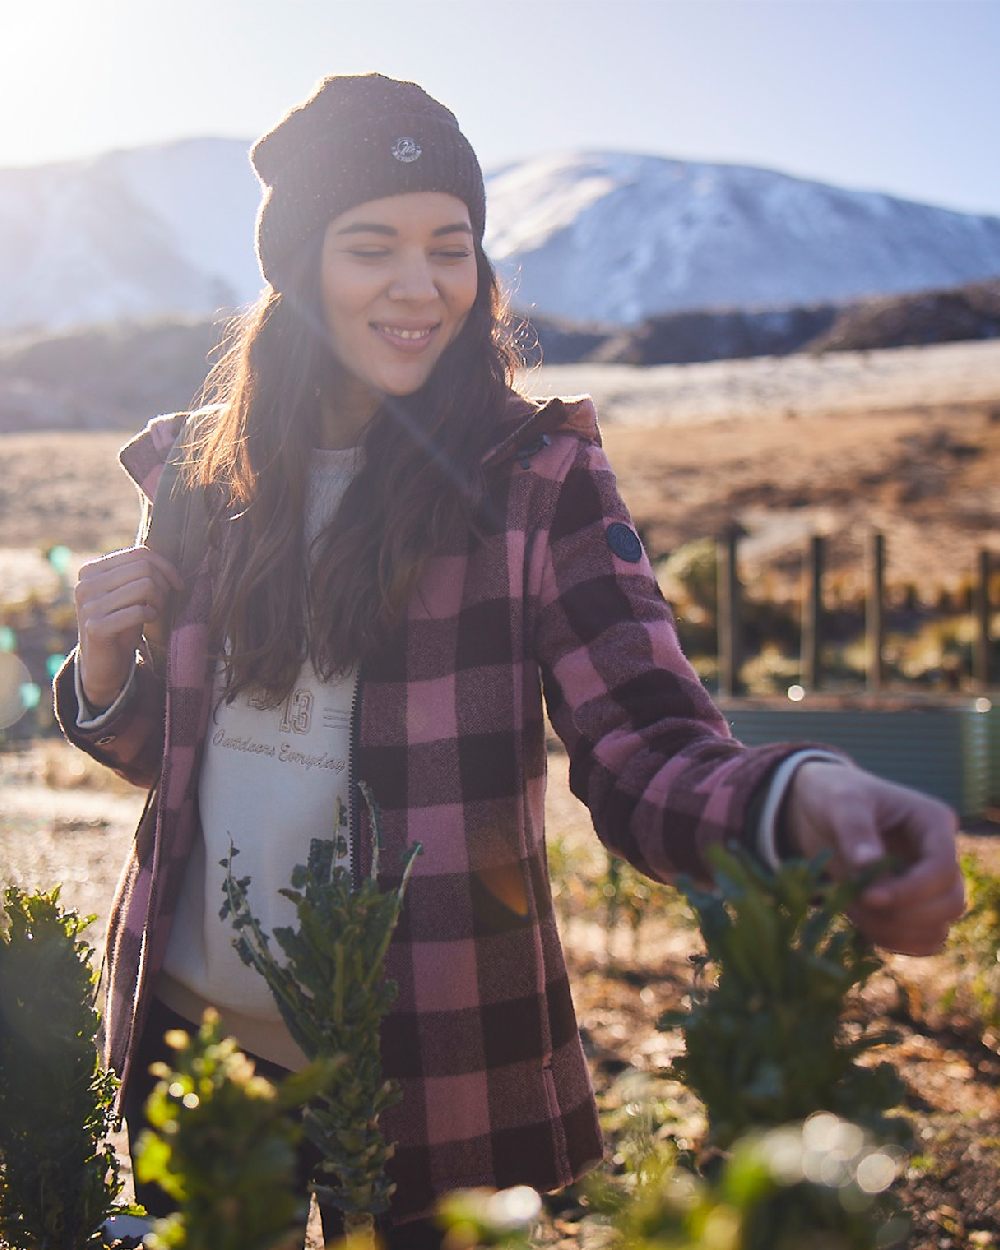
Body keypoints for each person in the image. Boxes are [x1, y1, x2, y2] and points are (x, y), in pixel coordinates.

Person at [54, 73, 964, 1246]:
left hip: (434, 1043)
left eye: (452, 245)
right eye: (371, 245)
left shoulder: (535, 478)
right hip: (194, 1032)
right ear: (295, 268)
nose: (421, 285)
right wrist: (100, 664)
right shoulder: (197, 471)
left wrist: (796, 798)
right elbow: (171, 760)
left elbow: (644, 745)